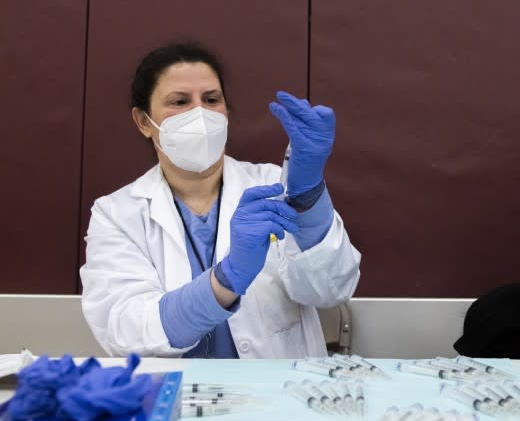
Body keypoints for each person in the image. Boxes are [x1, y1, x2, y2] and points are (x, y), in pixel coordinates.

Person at [80, 43, 361, 358]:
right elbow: (126, 329)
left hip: (277, 397)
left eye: (211, 100)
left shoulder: (273, 186)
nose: (199, 113)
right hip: (174, 399)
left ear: (227, 111)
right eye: (180, 101)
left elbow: (330, 289)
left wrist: (308, 195)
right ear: (144, 122)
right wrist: (224, 280)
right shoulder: (118, 214)